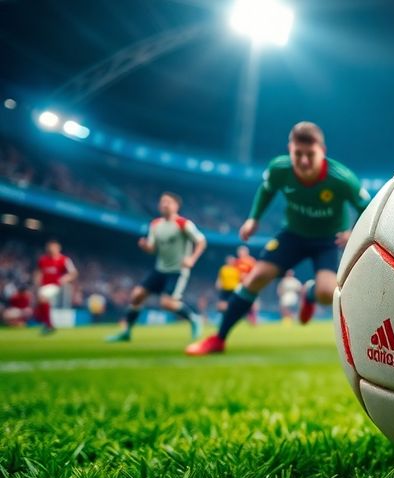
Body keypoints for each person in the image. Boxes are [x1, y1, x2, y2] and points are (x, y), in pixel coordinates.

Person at [186, 121, 370, 355]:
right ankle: (218, 339)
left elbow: (365, 205)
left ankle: (310, 293)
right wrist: (254, 218)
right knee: (256, 277)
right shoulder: (280, 169)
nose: (303, 161)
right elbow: (267, 189)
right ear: (290, 150)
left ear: (322, 151)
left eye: (310, 154)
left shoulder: (341, 178)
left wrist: (353, 231)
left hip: (326, 240)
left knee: (327, 293)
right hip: (292, 234)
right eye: (297, 154)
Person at [106, 192, 207, 343]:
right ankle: (126, 332)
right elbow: (153, 249)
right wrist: (145, 246)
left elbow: (201, 241)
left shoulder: (183, 224)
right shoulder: (155, 224)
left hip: (177, 270)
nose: (164, 204)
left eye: (168, 202)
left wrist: (192, 259)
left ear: (176, 206)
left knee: (167, 303)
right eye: (162, 202)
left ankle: (194, 319)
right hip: (160, 269)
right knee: (136, 296)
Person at [34, 240, 78, 335]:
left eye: (53, 247)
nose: (51, 249)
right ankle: (47, 324)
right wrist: (36, 282)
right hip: (43, 286)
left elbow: (73, 273)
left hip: (56, 285)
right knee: (40, 303)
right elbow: (38, 272)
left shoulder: (64, 259)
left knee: (43, 298)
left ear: (58, 248)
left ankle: (49, 325)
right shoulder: (43, 260)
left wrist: (64, 279)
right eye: (50, 247)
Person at [234, 246, 260, 325]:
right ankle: (241, 318)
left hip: (250, 284)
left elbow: (256, 271)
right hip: (239, 285)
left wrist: (247, 276)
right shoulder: (237, 262)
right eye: (239, 252)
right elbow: (234, 273)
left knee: (253, 302)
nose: (240, 253)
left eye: (242, 251)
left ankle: (254, 318)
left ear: (246, 252)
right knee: (239, 301)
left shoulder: (251, 261)